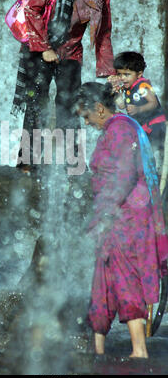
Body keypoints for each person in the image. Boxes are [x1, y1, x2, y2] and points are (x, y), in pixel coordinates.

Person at [76, 82, 168, 358]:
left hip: (127, 218)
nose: (86, 122)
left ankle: (139, 351)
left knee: (126, 278)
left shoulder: (120, 129)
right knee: (102, 279)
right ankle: (98, 349)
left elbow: (124, 176)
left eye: (87, 116)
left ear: (100, 109)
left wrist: (104, 214)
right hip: (113, 216)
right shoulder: (115, 128)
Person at [11, 0, 115, 172]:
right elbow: (31, 8)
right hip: (40, 49)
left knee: (69, 105)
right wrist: (44, 48)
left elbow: (103, 31)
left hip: (71, 52)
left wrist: (108, 71)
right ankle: (27, 161)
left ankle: (73, 163)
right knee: (36, 102)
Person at [108, 51, 166, 171]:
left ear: (139, 74)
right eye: (120, 74)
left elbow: (153, 103)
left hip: (155, 126)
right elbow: (122, 106)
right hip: (144, 127)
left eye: (127, 74)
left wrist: (138, 109)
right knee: (141, 152)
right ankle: (148, 173)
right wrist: (116, 94)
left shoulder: (142, 86)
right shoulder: (127, 88)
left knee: (148, 151)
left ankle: (151, 173)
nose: (122, 78)